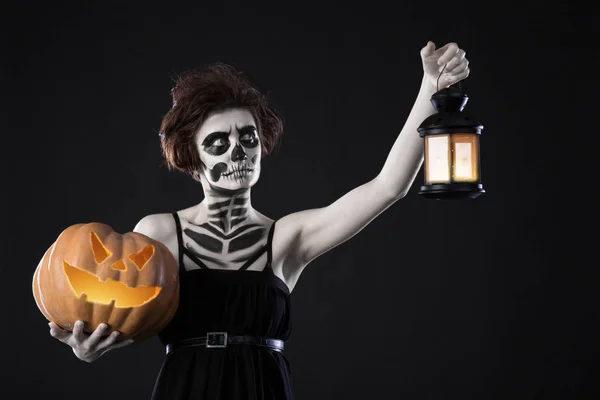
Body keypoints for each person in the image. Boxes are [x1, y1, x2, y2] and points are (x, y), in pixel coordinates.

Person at [48, 41, 471, 399]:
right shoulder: (159, 233)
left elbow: (388, 186)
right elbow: (121, 311)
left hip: (264, 387)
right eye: (218, 142)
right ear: (194, 162)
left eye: (247, 138)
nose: (238, 152)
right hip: (186, 387)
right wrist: (85, 348)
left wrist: (429, 90)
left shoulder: (289, 238)